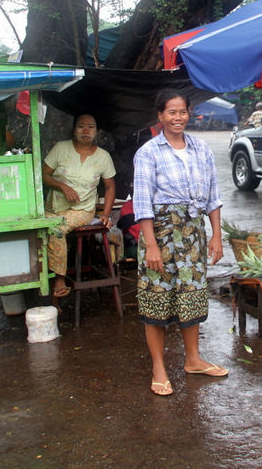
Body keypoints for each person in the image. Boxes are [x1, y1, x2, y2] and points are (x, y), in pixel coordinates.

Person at [133, 90, 225, 396]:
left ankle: (193, 359)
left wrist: (216, 235)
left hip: (193, 237)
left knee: (192, 297)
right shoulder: (148, 152)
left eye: (182, 112)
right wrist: (151, 245)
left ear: (189, 114)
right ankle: (158, 367)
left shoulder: (201, 149)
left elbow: (213, 196)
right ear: (159, 116)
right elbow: (143, 203)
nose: (177, 118)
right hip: (159, 234)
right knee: (157, 299)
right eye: (171, 112)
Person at [42, 113, 116, 298]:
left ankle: (59, 278)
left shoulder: (103, 157)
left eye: (90, 127)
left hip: (82, 210)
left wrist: (106, 214)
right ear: (74, 129)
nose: (85, 131)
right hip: (53, 208)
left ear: (96, 131)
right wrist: (62, 186)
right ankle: (41, 285)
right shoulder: (61, 148)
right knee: (37, 231)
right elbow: (43, 175)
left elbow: (110, 187)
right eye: (81, 126)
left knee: (56, 229)